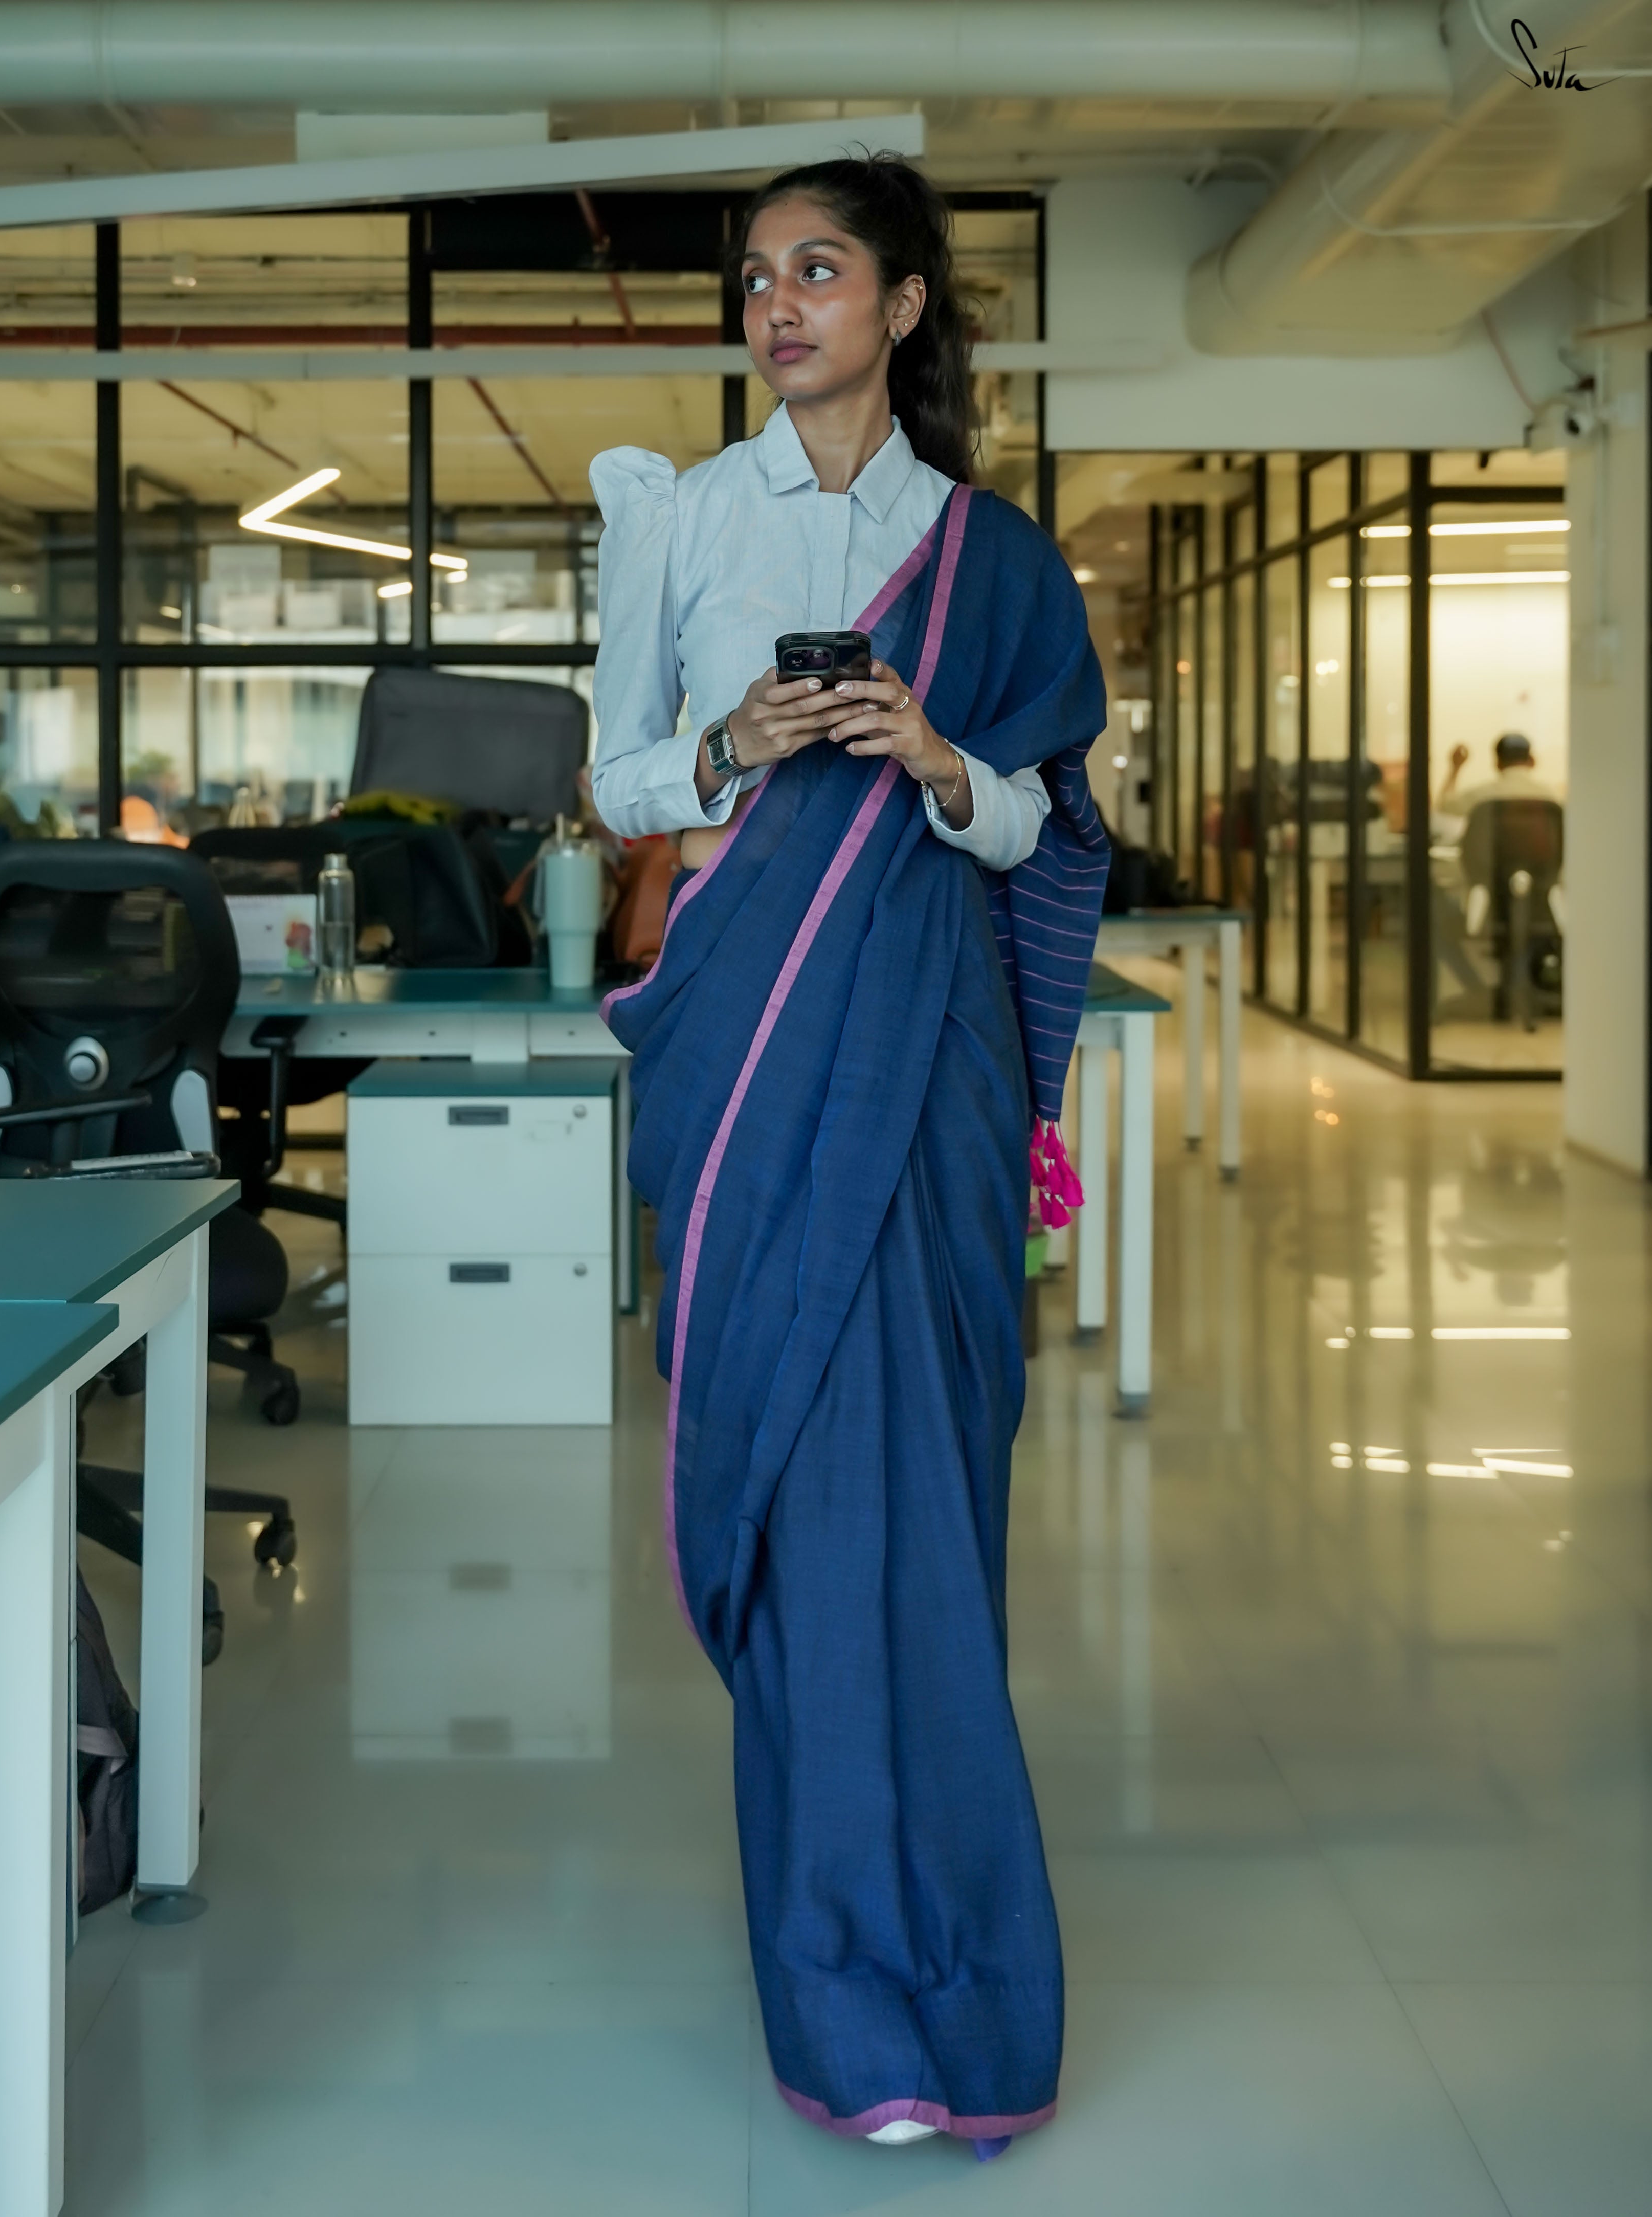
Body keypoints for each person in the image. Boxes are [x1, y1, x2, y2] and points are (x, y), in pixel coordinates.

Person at [590, 152, 1108, 2162]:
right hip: (753, 1052)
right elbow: (618, 767)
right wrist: (731, 747)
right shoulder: (685, 514)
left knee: (928, 1550)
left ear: (899, 306)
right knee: (811, 1537)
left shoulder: (991, 560)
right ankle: (836, 1992)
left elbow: (1042, 830)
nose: (775, 302)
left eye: (817, 269)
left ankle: (969, 1997)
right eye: (752, 278)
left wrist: (930, 757)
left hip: (930, 1078)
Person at [1433, 731, 1562, 836]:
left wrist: (1455, 768)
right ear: (1533, 761)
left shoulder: (1482, 795)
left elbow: (1444, 807)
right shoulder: (1552, 796)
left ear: (1498, 764)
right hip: (1542, 866)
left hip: (1491, 866)